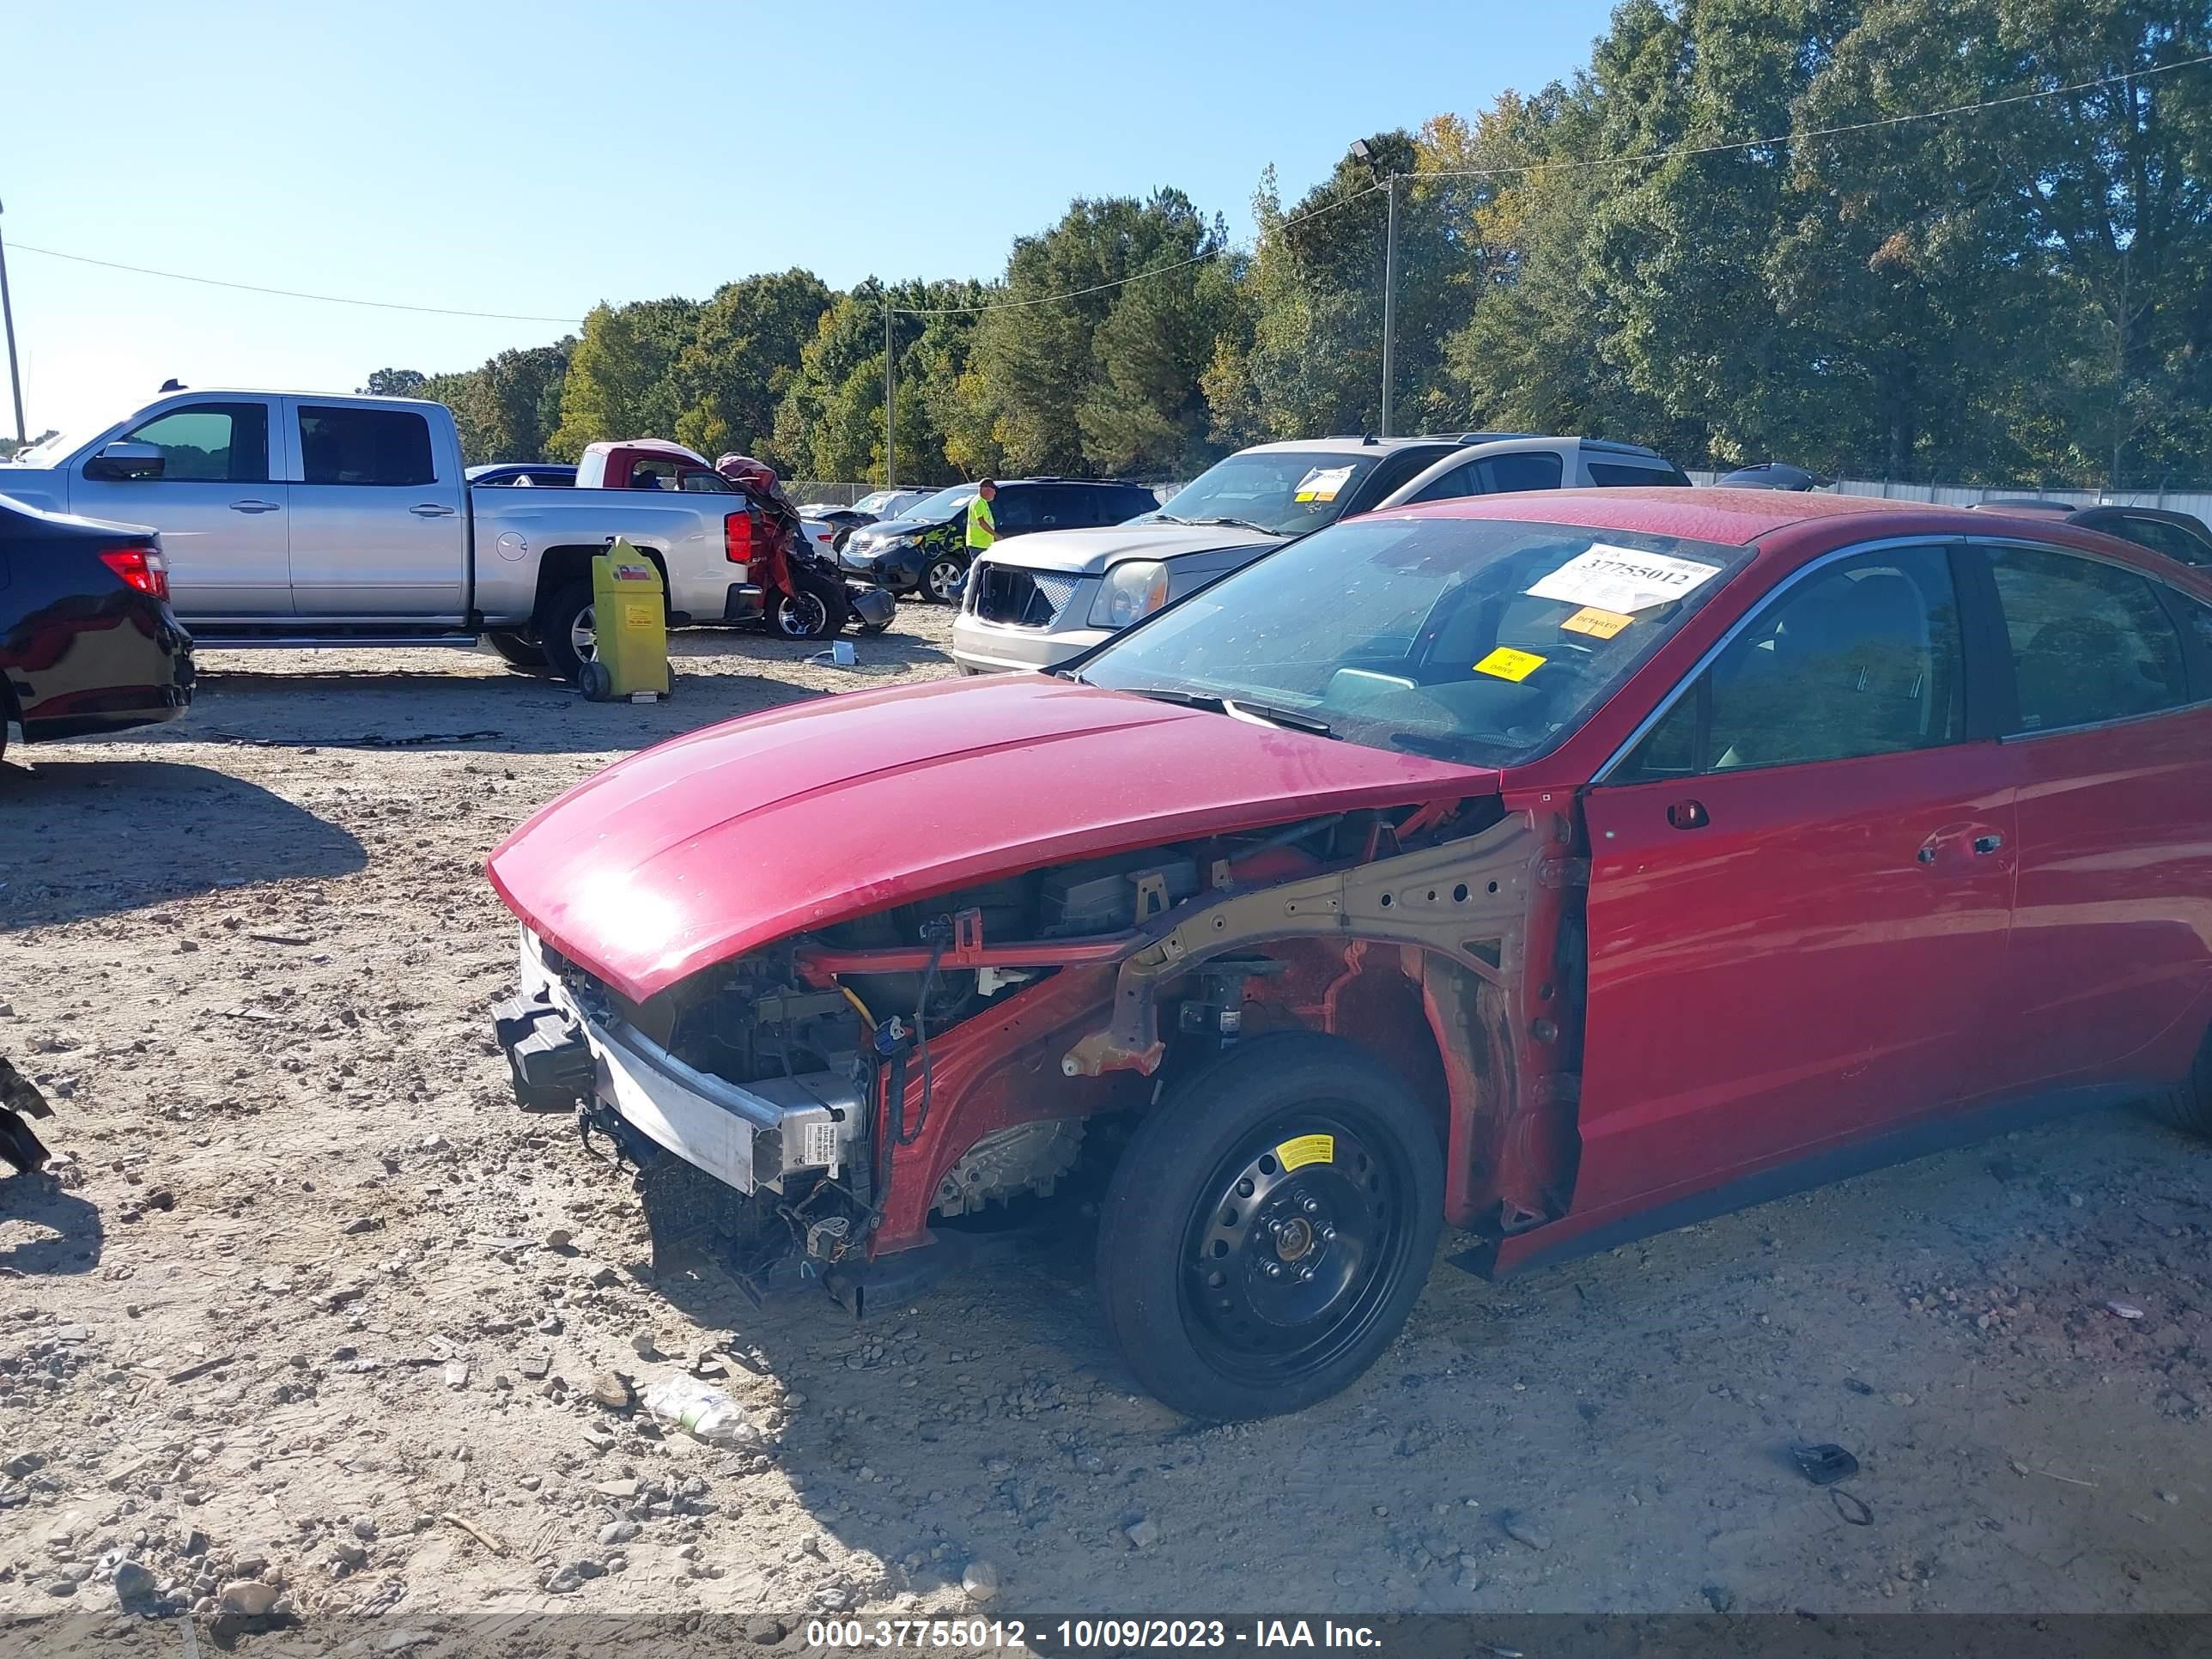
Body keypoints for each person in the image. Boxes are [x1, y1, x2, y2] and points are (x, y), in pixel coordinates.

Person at [967, 478, 999, 555]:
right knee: (981, 566)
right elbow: (981, 522)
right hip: (979, 544)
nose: (995, 493)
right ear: (987, 490)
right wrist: (995, 534)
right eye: (994, 490)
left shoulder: (982, 502)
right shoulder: (979, 502)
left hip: (982, 544)